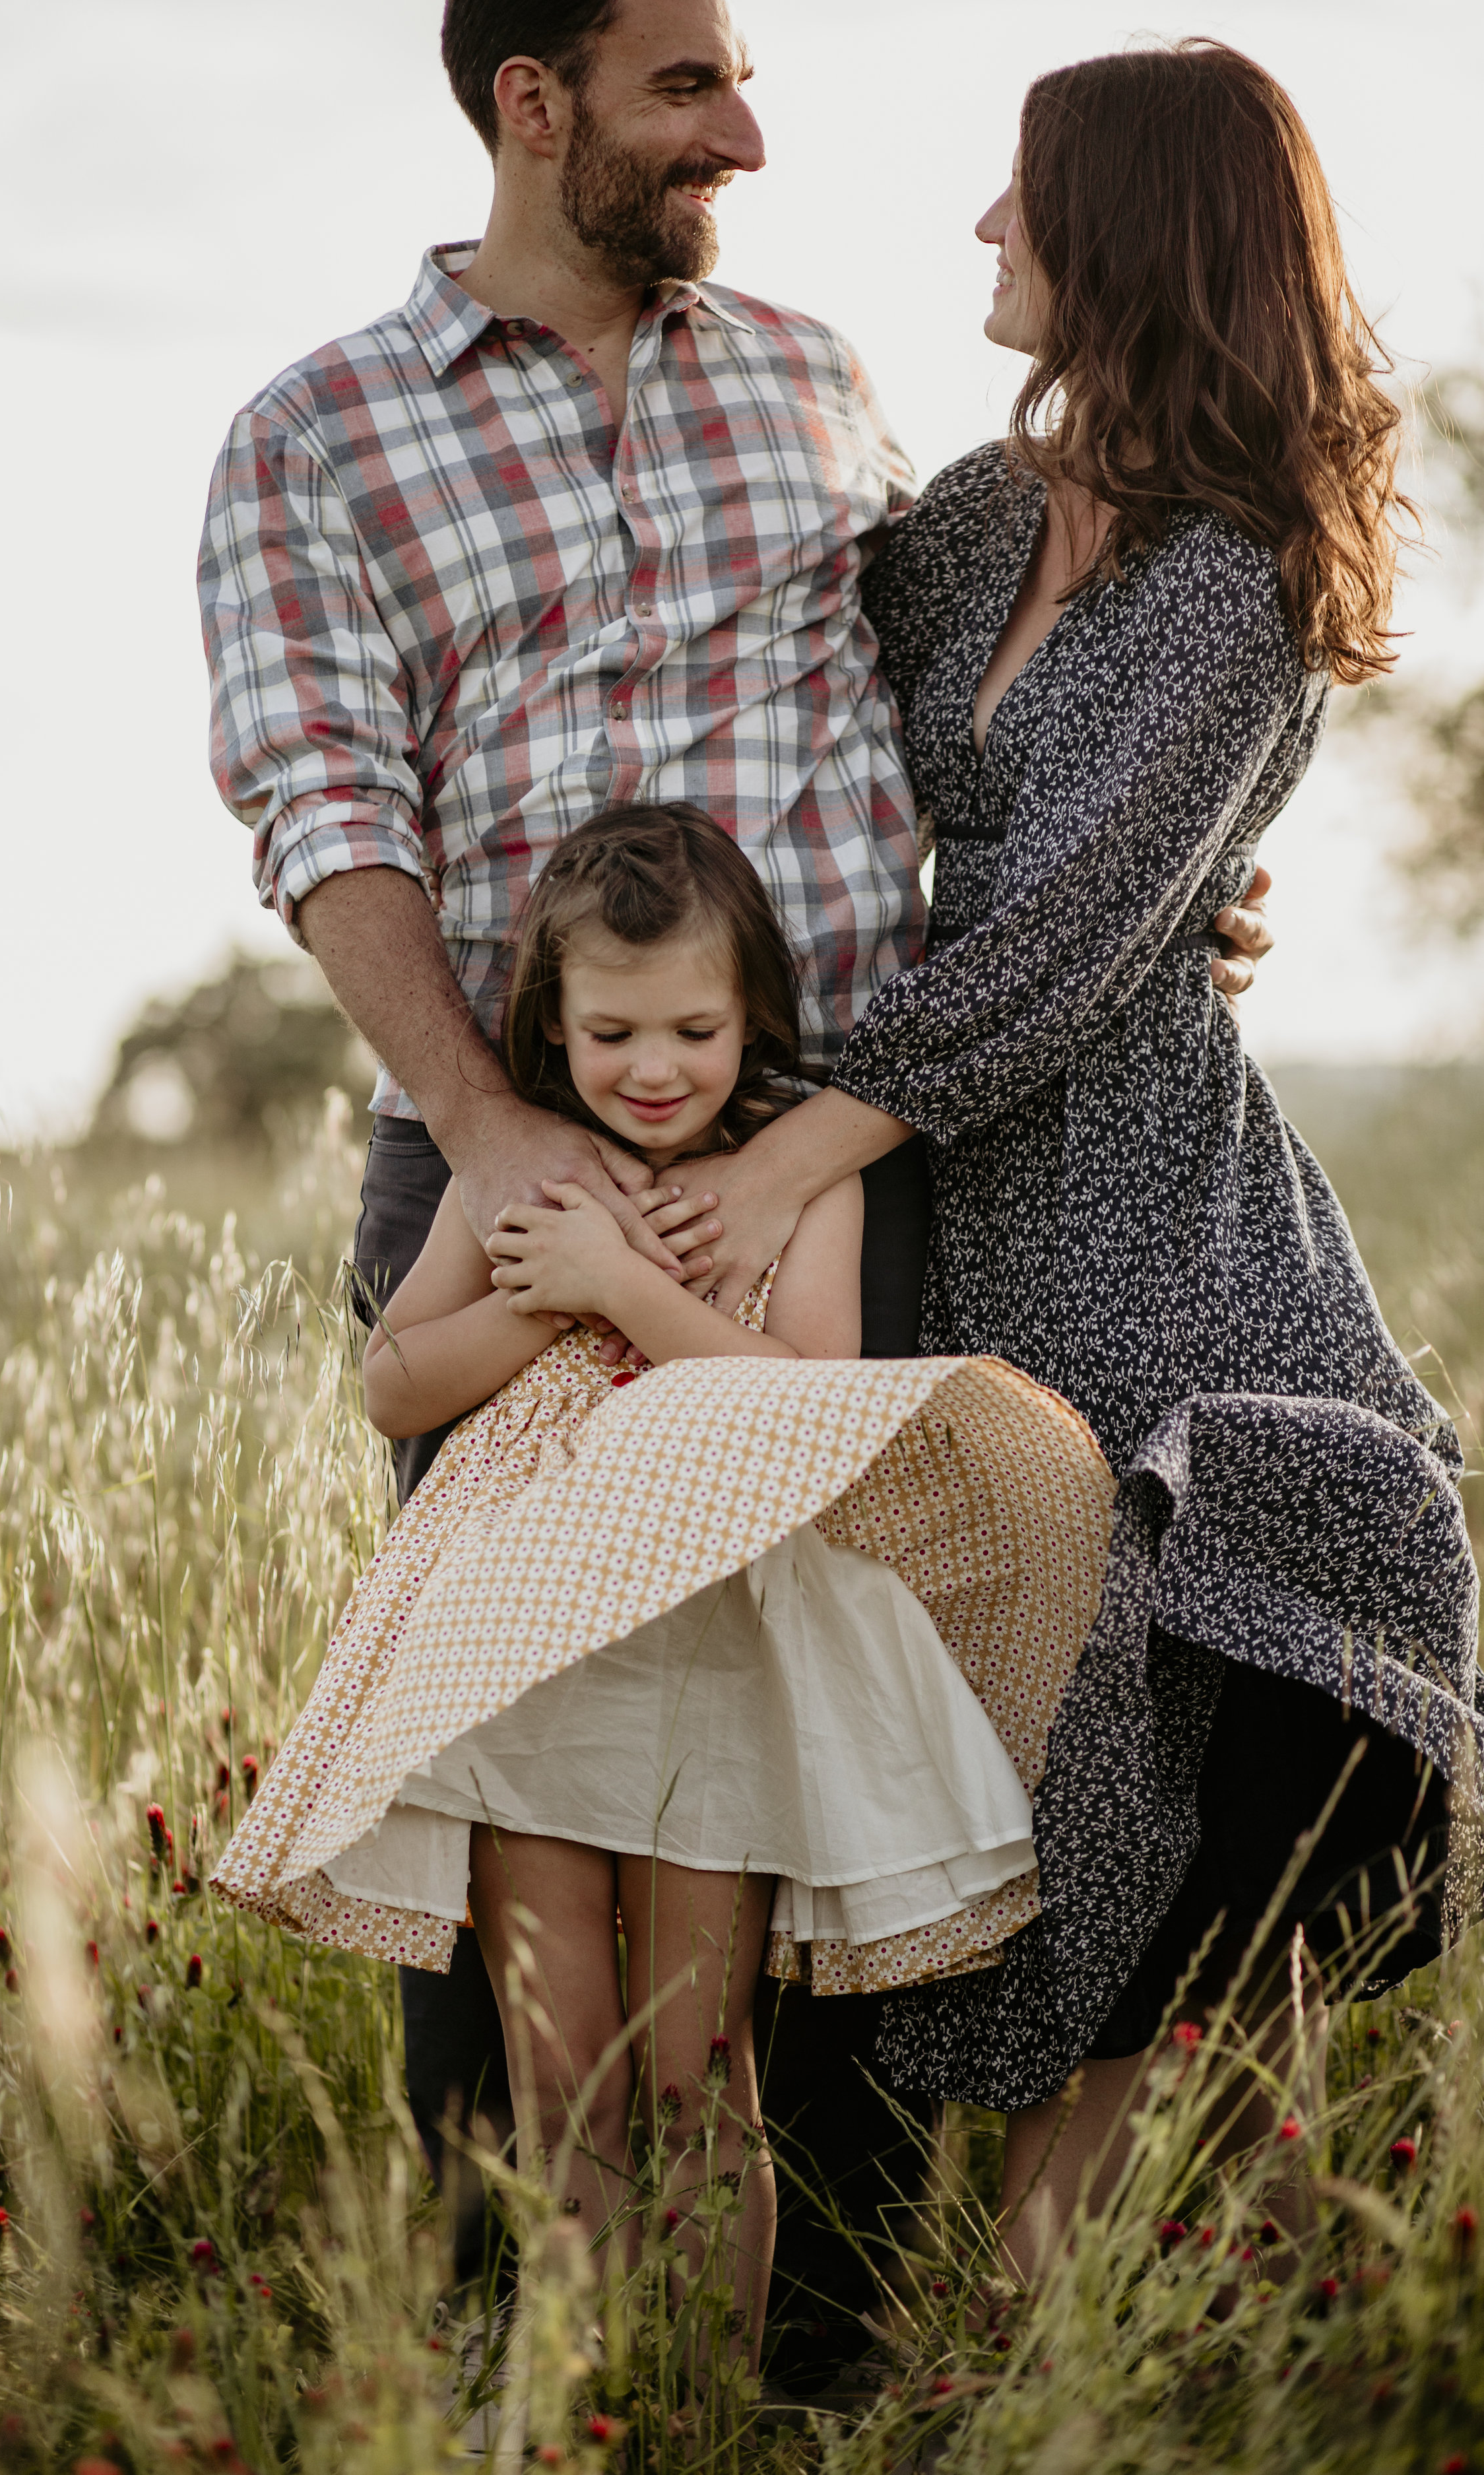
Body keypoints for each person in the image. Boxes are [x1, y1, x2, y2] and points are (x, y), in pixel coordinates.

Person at [197, 0, 1271, 2363]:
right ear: (534, 103)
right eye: (692, 87)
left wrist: (1167, 884)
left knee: (824, 1738)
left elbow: (996, 695)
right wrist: (499, 1137)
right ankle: (524, 2361)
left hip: (826, 1158)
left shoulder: (812, 379)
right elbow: (325, 813)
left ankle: (804, 2362)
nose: (748, 134)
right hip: (504, 1142)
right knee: (521, 1755)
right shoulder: (315, 437)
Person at [640, 40, 1480, 2285]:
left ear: (1127, 232)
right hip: (945, 1212)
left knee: (1181, 1744)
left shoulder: (1243, 575)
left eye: (1021, 201)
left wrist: (781, 1158)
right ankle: (1023, 2323)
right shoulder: (983, 520)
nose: (985, 236)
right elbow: (799, 742)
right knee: (998, 1764)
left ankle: (1099, 2345)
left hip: (1152, 1224)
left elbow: (1051, 950)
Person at [209, 803, 1116, 2358]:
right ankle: (585, 2406)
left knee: (701, 2074)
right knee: (562, 2075)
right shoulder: (517, 1182)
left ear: (751, 1012)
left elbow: (811, 1396)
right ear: (548, 1032)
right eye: (610, 1030)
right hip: (529, 1664)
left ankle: (698, 2404)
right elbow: (395, 1384)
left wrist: (625, 1284)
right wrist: (551, 1292)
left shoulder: (791, 1186)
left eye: (692, 1028)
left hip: (719, 1667)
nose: (652, 1066)